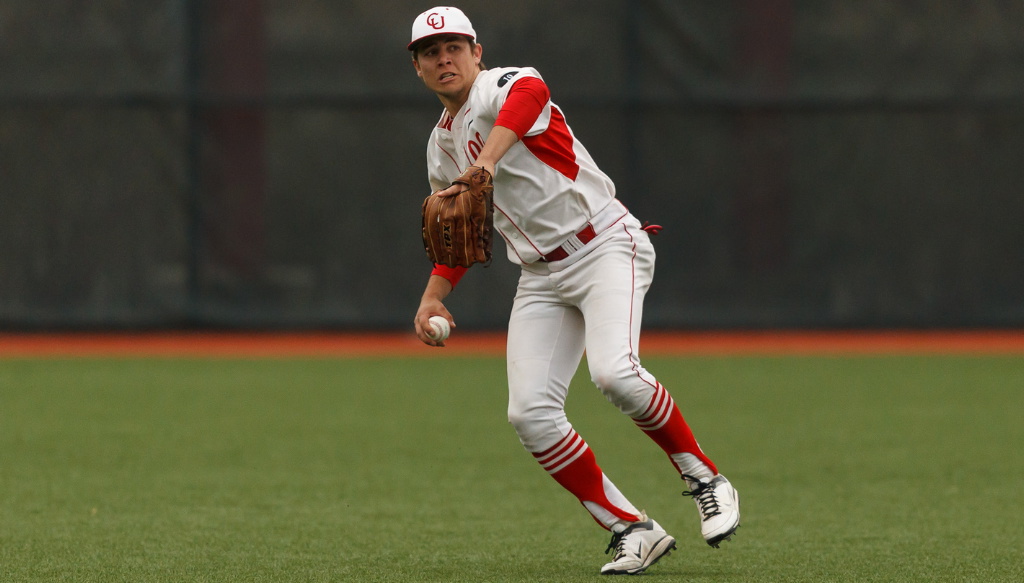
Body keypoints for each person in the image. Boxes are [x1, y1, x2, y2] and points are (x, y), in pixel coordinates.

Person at [408, 6, 740, 575]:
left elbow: (532, 92)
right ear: (417, 67)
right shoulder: (440, 146)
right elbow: (461, 231)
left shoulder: (497, 87)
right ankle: (632, 528)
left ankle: (705, 477)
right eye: (430, 52)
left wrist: (486, 161)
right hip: (541, 276)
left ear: (477, 53)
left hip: (605, 243)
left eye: (455, 47)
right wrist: (433, 296)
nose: (444, 58)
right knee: (530, 414)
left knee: (614, 373)